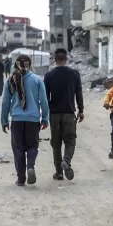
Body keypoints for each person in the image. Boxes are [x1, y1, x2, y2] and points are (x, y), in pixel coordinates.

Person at [1, 55, 50, 186]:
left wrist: (4, 120)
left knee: (18, 149)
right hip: (33, 120)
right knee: (32, 146)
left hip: (17, 120)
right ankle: (30, 167)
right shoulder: (37, 80)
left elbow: (5, 102)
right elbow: (44, 101)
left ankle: (21, 178)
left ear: (15, 65)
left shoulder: (10, 81)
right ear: (30, 64)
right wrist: (45, 118)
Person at [43, 48, 84, 181]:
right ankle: (66, 161)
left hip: (54, 114)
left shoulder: (49, 76)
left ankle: (59, 172)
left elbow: (45, 98)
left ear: (55, 59)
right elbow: (79, 93)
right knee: (70, 141)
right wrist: (81, 110)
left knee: (56, 143)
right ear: (66, 59)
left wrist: (45, 115)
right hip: (69, 113)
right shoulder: (74, 74)